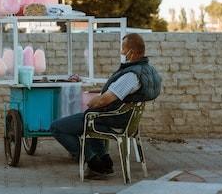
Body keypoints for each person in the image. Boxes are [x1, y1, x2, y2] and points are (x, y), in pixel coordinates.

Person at [50, 33, 162, 180]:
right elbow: (123, 94)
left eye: (124, 48)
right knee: (91, 122)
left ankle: (93, 162)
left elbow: (104, 100)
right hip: (124, 118)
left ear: (133, 52)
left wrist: (93, 102)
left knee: (57, 127)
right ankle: (105, 163)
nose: (122, 52)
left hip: (114, 118)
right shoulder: (148, 70)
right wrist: (100, 93)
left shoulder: (132, 75)